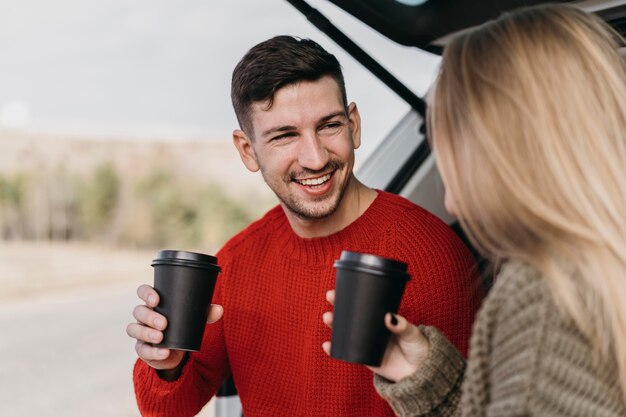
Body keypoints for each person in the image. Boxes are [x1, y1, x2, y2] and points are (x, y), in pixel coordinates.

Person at [127, 35, 482, 417]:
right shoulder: (236, 263)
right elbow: (165, 410)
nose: (314, 159)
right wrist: (167, 365)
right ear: (248, 150)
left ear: (354, 125)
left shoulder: (432, 254)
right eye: (285, 136)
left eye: (329, 126)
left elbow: (471, 407)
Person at [323, 4, 626, 416]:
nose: (441, 155)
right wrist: (427, 378)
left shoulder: (545, 295)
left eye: (444, 136)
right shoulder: (600, 268)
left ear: (492, 147)